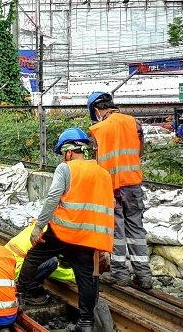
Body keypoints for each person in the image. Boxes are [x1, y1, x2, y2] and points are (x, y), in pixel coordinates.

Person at [17, 128, 115, 332]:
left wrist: (38, 227)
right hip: (88, 236)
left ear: (68, 152)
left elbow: (53, 198)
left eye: (63, 153)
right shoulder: (103, 173)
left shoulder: (65, 168)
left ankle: (20, 296)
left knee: (33, 257)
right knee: (86, 277)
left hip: (63, 230)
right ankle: (86, 322)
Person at [87, 91, 151, 290]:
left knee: (117, 231)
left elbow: (96, 161)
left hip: (111, 187)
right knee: (136, 229)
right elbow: (140, 152)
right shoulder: (134, 123)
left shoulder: (97, 129)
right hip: (133, 184)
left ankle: (120, 275)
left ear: (97, 110)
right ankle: (144, 276)